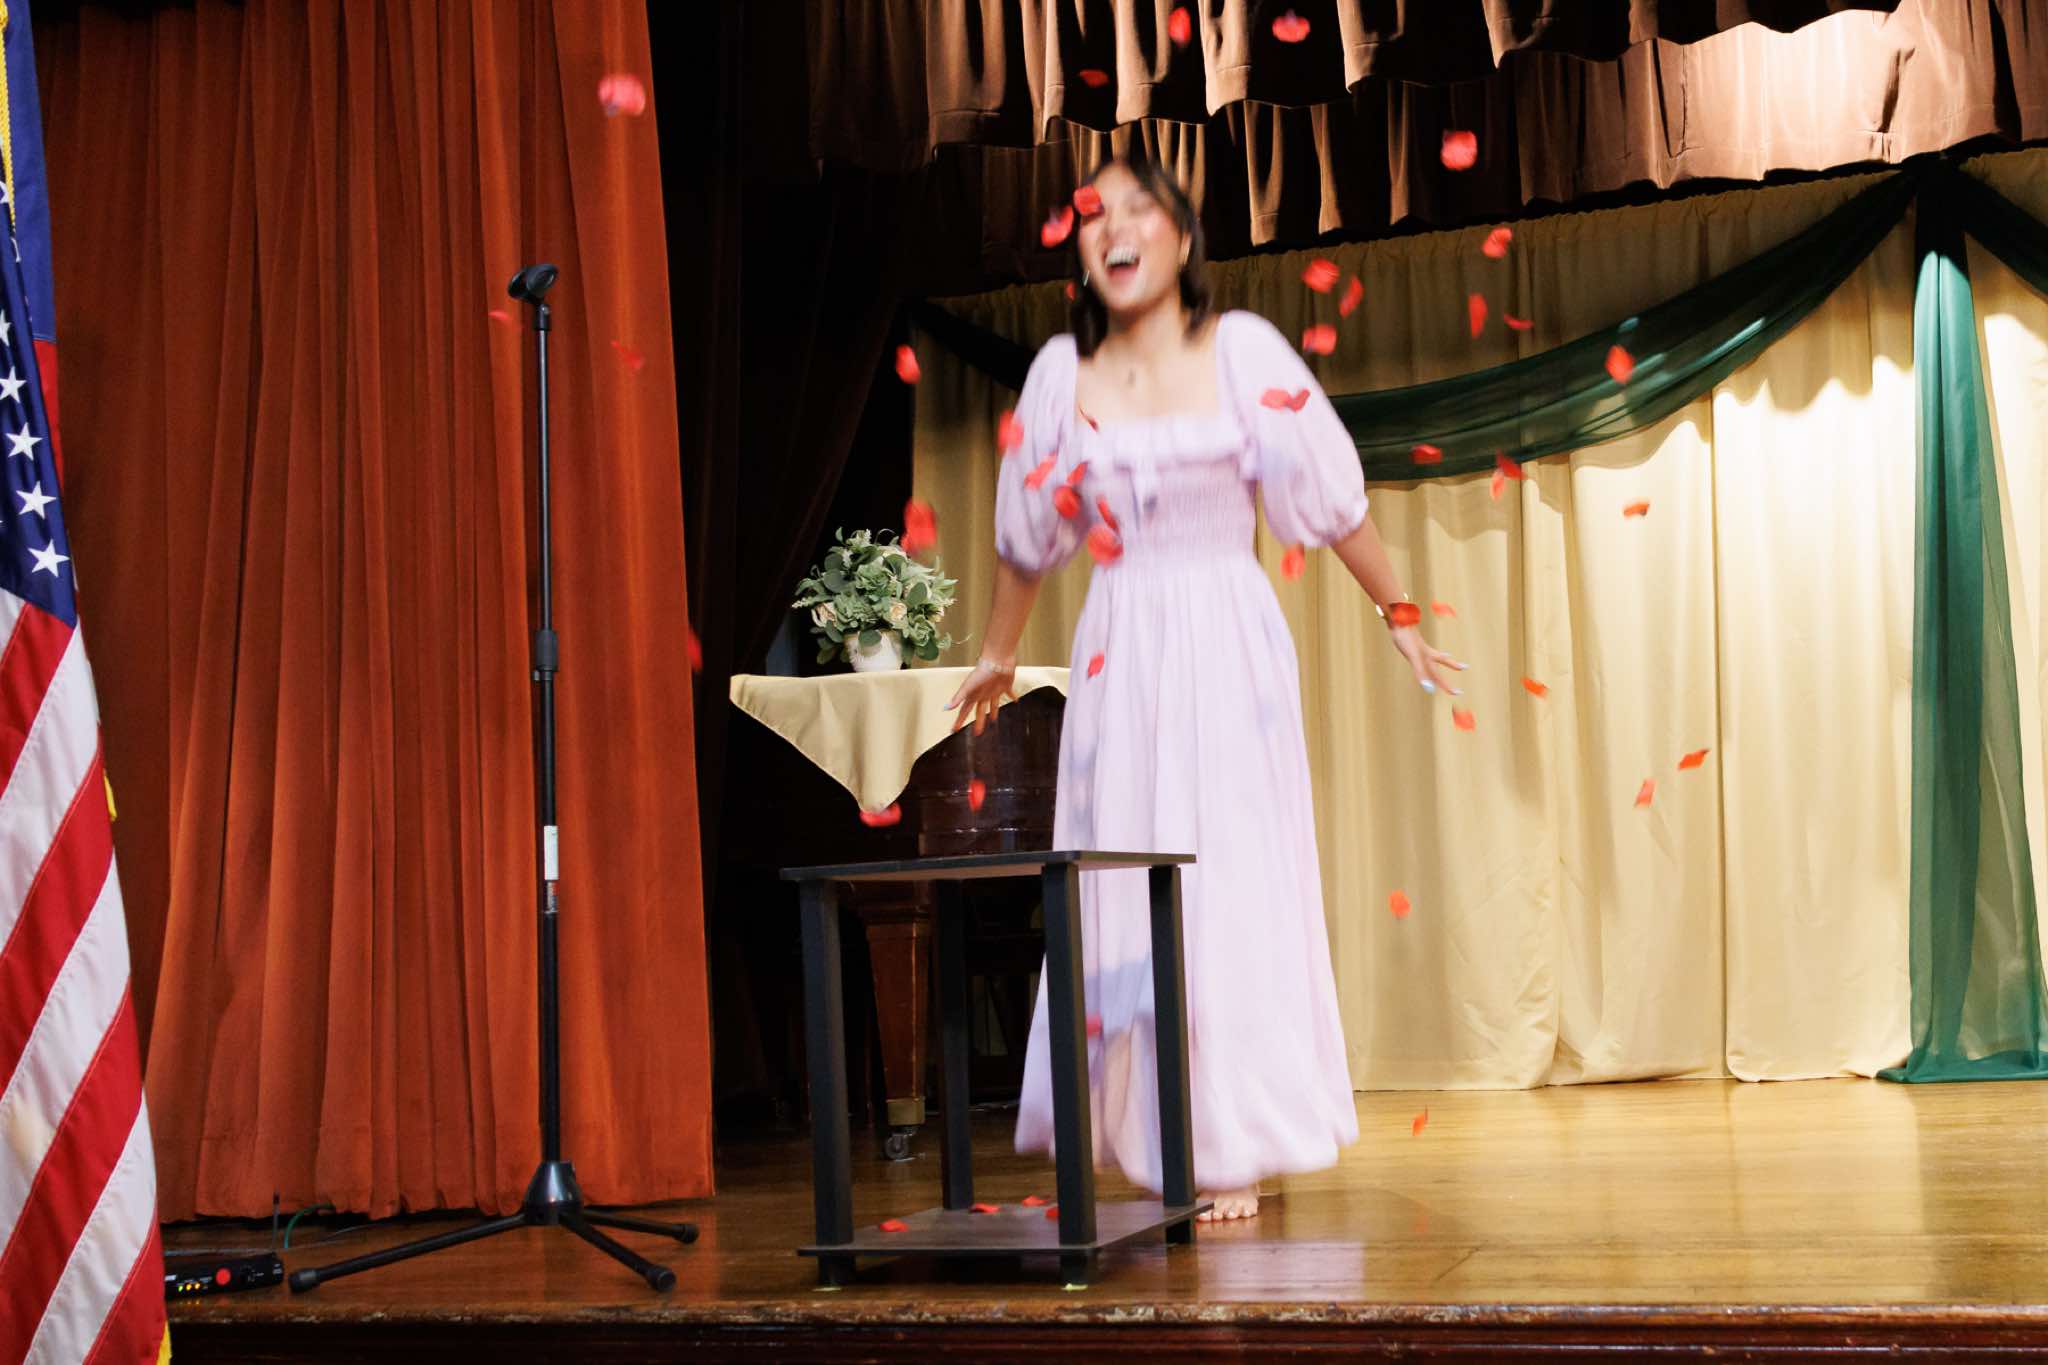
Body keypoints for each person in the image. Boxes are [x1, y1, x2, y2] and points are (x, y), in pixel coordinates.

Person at [945, 155, 1463, 1222]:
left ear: (1182, 241)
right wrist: (997, 650)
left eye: (1141, 210)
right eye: (1096, 215)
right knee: (1125, 878)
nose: (1116, 228)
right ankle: (1154, 1129)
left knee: (1226, 876)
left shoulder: (1241, 350)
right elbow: (1027, 539)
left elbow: (1331, 502)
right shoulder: (1059, 375)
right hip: (1120, 643)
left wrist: (1399, 611)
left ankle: (1232, 1137)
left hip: (1225, 638)